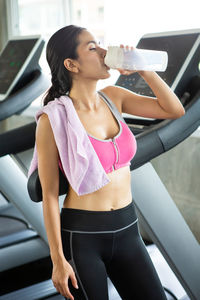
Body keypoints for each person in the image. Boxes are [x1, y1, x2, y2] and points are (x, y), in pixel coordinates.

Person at [34, 24, 185, 300]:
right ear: (72, 64)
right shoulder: (52, 119)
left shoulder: (114, 97)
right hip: (82, 236)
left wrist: (143, 68)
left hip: (128, 227)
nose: (104, 52)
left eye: (101, 44)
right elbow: (50, 194)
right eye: (93, 48)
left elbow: (174, 110)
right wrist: (57, 259)